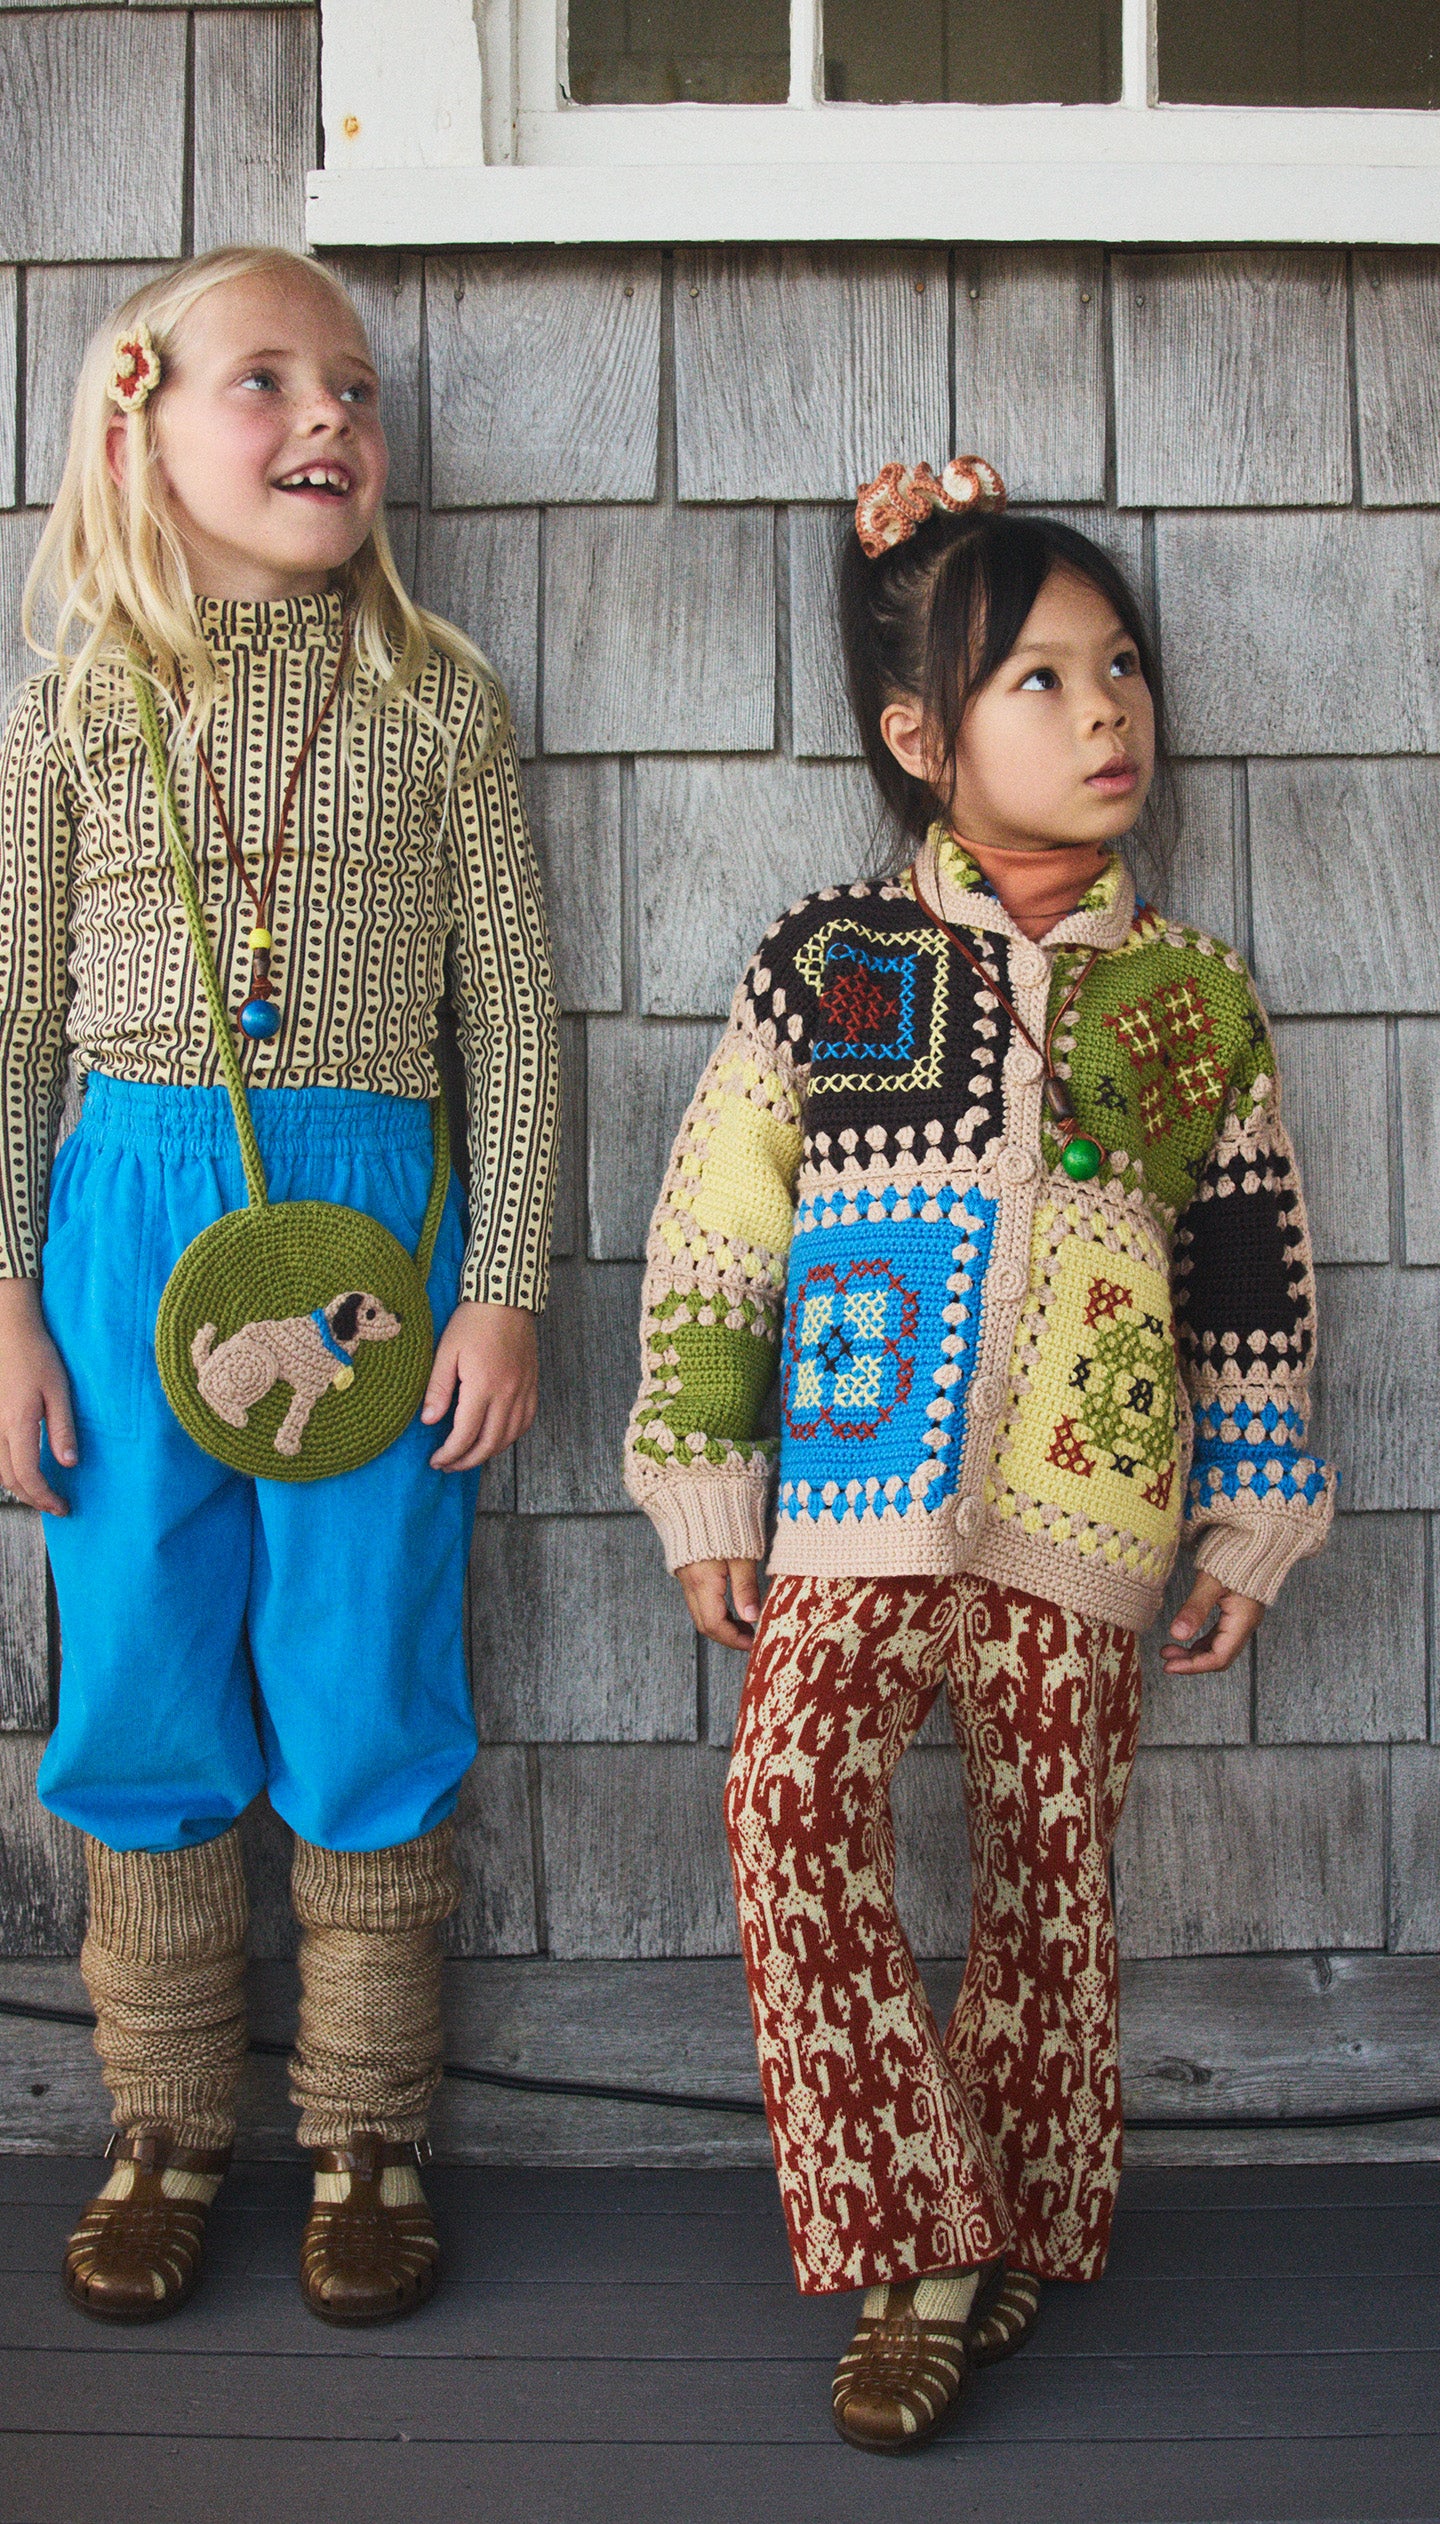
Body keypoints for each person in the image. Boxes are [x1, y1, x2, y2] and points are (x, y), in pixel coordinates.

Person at [624, 457, 1332, 2450]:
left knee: (1048, 1869)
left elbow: (1247, 1269)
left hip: (1086, 1514)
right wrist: (700, 1468)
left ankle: (1007, 2223)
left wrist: (1253, 1499)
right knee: (784, 1807)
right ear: (921, 738)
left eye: (1121, 668)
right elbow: (715, 1230)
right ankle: (916, 2231)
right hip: (852, 1505)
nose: (1105, 711)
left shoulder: (1189, 998)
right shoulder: (829, 964)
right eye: (1040, 678)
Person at [0, 246, 559, 2325]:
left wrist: (501, 1280)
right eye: (267, 380)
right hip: (129, 1226)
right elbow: (8, 1029)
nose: (330, 415)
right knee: (139, 1661)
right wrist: (4, 1298)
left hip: (373, 1242)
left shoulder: (437, 699)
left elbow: (513, 1021)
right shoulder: (75, 713)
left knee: (361, 1664)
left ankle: (367, 2129)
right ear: (135, 424)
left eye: (356, 389)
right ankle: (162, 2123)